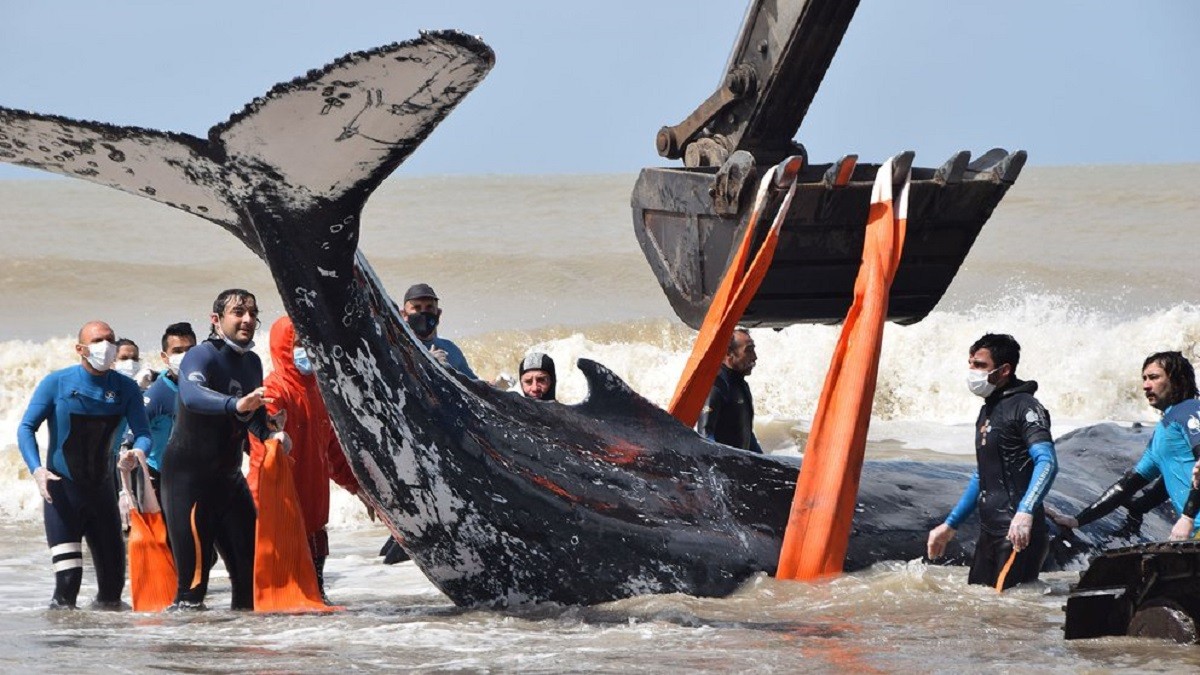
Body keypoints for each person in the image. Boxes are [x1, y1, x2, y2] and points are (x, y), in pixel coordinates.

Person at [159, 289, 289, 610]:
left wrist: (272, 431)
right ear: (216, 320)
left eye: (252, 313)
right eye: (238, 312)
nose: (247, 319)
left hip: (229, 481)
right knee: (193, 586)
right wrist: (236, 403)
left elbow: (253, 420)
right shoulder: (201, 355)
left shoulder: (253, 362)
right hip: (189, 483)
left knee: (248, 577)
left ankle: (234, 654)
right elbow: (191, 395)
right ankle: (182, 657)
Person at [17, 320, 153, 609]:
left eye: (111, 339)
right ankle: (62, 650)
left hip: (102, 495)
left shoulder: (126, 388)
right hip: (62, 495)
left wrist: (135, 454)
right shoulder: (57, 383)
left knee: (113, 592)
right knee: (67, 586)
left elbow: (143, 434)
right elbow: (26, 427)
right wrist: (37, 469)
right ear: (80, 349)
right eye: (98, 341)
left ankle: (102, 651)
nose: (106, 346)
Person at [248, 316, 367, 600]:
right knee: (282, 597)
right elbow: (261, 443)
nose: (307, 350)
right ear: (282, 346)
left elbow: (333, 452)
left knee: (315, 596)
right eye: (299, 343)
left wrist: (357, 487)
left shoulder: (319, 391)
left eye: (310, 342)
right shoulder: (274, 391)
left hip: (314, 511)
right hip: (280, 508)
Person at [927, 333, 1058, 589]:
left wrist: (1026, 511)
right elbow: (982, 475)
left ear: (1004, 370)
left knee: (1008, 618)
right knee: (980, 611)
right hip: (989, 533)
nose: (972, 372)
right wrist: (950, 525)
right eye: (970, 364)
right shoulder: (988, 410)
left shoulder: (1027, 407)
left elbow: (1047, 462)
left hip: (1018, 533)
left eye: (980, 365)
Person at [1049, 351, 1200, 540]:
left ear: (1178, 380)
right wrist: (1077, 520)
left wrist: (1186, 517)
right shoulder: (1163, 431)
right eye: (1144, 378)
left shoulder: (1190, 410)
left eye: (1154, 377)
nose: (1146, 385)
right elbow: (1127, 486)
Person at [136, 322, 198, 500]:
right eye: (177, 351)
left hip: (196, 474)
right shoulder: (156, 395)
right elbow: (132, 434)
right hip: (159, 476)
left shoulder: (206, 384)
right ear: (164, 357)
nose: (185, 356)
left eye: (190, 349)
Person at [696, 328, 762, 453]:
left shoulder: (742, 386)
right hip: (725, 468)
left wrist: (766, 463)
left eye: (753, 349)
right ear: (728, 353)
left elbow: (747, 435)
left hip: (743, 466)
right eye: (748, 350)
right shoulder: (716, 386)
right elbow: (705, 435)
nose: (755, 357)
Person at [400, 283, 478, 379]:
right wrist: (428, 363)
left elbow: (474, 386)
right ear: (403, 315)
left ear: (438, 313)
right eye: (417, 308)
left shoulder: (451, 349)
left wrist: (494, 386)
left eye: (429, 307)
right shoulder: (398, 348)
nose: (423, 313)